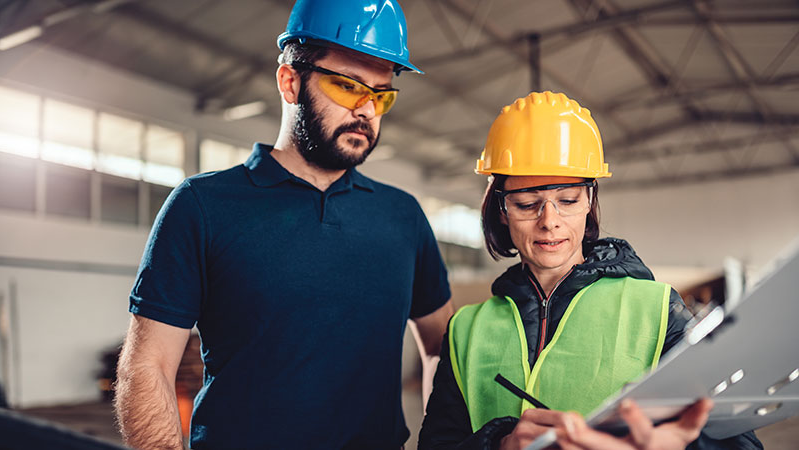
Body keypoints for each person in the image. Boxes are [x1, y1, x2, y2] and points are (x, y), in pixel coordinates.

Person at [114, 1, 454, 448]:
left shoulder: (402, 216)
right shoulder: (203, 206)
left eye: (381, 94)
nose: (367, 110)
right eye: (348, 86)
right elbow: (147, 368)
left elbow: (440, 351)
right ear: (290, 82)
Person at [418, 91, 762, 449]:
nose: (549, 222)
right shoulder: (467, 330)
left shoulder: (656, 310)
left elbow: (737, 440)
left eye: (567, 200)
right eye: (526, 204)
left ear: (590, 202)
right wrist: (498, 445)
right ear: (501, 211)